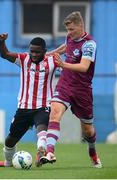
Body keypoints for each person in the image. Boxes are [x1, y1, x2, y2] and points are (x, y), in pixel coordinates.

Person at [40, 11, 102, 168]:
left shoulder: (89, 44)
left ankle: (93, 153)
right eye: (67, 30)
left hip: (82, 90)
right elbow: (66, 47)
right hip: (65, 84)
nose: (69, 33)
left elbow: (83, 67)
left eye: (72, 29)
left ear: (81, 26)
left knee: (88, 131)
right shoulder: (70, 38)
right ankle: (50, 151)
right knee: (54, 111)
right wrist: (49, 54)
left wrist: (62, 64)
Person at [0, 33, 58, 167]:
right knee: (10, 141)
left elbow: (69, 65)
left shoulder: (53, 61)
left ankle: (41, 151)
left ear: (44, 52)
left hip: (43, 106)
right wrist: (2, 42)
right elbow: (4, 54)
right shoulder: (23, 59)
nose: (33, 54)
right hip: (24, 107)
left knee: (42, 128)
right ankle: (8, 162)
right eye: (31, 51)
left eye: (37, 52)